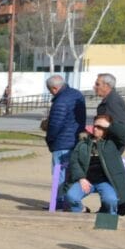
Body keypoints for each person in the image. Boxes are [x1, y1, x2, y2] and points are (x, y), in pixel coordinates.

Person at [63, 114, 125, 215]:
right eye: (95, 126)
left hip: (105, 182)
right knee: (71, 196)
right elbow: (75, 161)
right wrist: (81, 178)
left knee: (111, 200)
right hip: (86, 181)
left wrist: (109, 125)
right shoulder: (83, 143)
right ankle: (82, 211)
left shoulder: (113, 143)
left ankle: (108, 219)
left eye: (100, 127)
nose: (95, 128)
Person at [44, 75, 86, 208]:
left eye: (50, 90)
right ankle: (68, 201)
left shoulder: (60, 101)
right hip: (75, 140)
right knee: (71, 173)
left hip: (62, 142)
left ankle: (59, 202)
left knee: (59, 174)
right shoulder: (77, 94)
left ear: (55, 88)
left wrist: (50, 140)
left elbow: (55, 124)